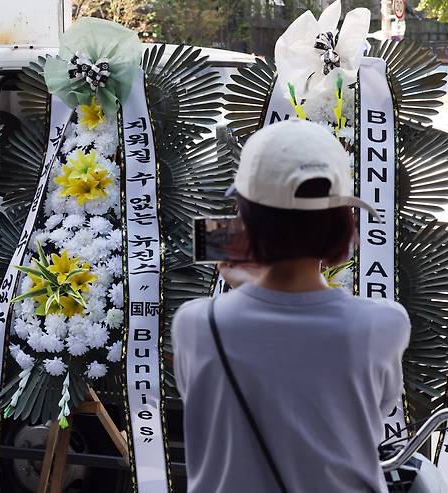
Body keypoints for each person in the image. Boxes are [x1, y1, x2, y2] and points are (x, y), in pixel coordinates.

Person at [172, 120, 411, 493]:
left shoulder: (198, 324)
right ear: (341, 222)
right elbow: (365, 417)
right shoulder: (384, 324)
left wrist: (248, 290)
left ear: (246, 219)